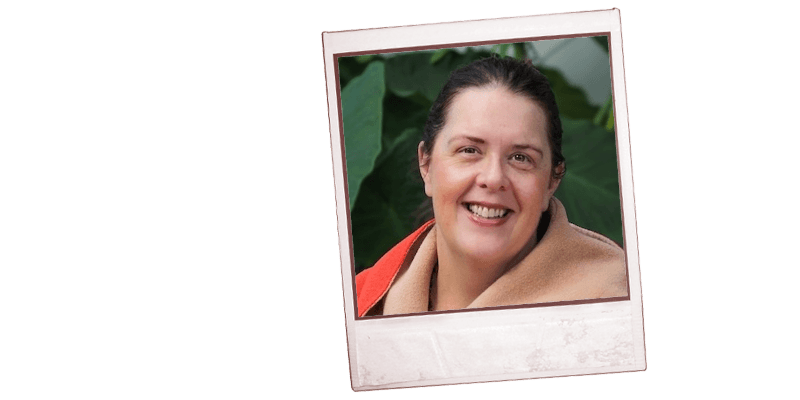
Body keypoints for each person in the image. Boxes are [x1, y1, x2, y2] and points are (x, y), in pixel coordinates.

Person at [355, 56, 627, 317]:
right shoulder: (360, 303)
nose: (493, 178)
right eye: (469, 150)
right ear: (426, 165)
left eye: (521, 158)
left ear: (552, 181)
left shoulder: (614, 307)